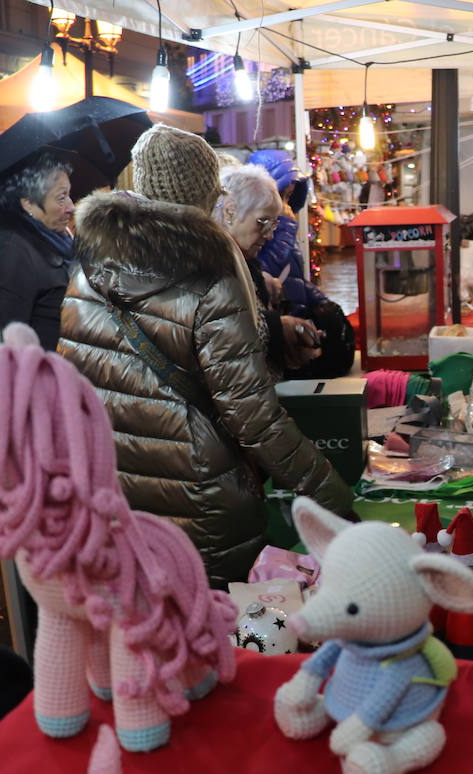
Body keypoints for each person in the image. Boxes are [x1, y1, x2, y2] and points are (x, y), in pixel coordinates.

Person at [58, 124, 354, 587]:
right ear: (205, 193)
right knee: (221, 633)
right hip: (201, 495)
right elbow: (252, 414)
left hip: (117, 491)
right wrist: (331, 495)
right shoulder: (212, 272)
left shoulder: (87, 271)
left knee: (153, 631)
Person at [247, 148, 357, 379]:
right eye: (282, 196)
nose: (286, 203)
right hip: (280, 324)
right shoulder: (264, 232)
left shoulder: (284, 225)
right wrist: (285, 225)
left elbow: (294, 273)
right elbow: (268, 270)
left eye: (289, 196)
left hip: (297, 316)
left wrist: (319, 301)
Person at [214, 163, 325, 374]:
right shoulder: (216, 266)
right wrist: (279, 329)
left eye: (273, 225)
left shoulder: (244, 264)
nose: (269, 235)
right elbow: (226, 336)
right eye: (262, 222)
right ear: (230, 211)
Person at [0, 150, 74, 350]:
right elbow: (10, 334)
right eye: (61, 197)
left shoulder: (57, 239)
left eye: (69, 195)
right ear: (28, 203)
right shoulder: (14, 251)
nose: (71, 207)